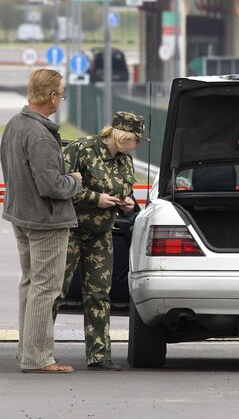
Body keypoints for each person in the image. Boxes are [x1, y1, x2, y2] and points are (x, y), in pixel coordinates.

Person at [0, 69, 82, 373]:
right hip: (45, 221)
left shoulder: (14, 125)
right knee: (46, 289)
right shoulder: (40, 135)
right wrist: (74, 180)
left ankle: (28, 351)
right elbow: (52, 187)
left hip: (20, 215)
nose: (61, 98)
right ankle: (37, 358)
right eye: (61, 93)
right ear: (51, 96)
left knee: (30, 285)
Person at [54, 111, 145, 371]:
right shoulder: (82, 149)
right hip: (70, 229)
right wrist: (96, 199)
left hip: (101, 233)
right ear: (123, 136)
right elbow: (60, 186)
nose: (137, 146)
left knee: (98, 294)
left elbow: (126, 191)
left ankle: (98, 354)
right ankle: (39, 350)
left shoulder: (125, 161)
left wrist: (127, 204)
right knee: (55, 290)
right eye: (136, 140)